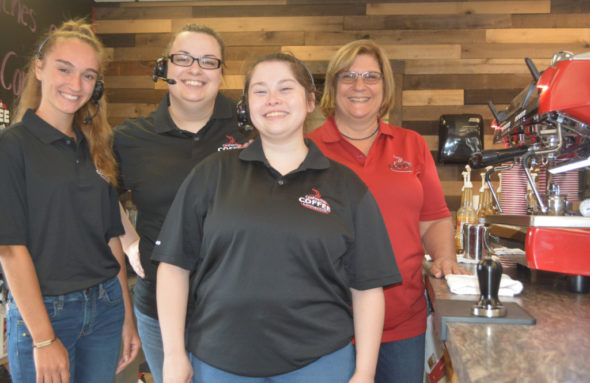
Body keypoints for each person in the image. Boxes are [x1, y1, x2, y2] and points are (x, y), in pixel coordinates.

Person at [152, 52, 402, 383]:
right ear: (246, 104)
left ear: (310, 101)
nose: (272, 100)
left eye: (285, 88)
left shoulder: (347, 187)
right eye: (259, 90)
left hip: (320, 363)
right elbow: (172, 266)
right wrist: (173, 355)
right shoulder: (211, 174)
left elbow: (368, 287)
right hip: (219, 361)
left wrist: (365, 371)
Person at [308, 39, 469, 383]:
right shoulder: (306, 150)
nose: (360, 86)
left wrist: (443, 256)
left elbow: (435, 216)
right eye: (348, 76)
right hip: (325, 326)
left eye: (371, 76)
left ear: (385, 86)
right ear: (333, 86)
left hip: (402, 323)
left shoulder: (411, 144)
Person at [0, 19, 140, 383]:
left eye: (88, 76)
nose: (76, 85)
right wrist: (44, 339)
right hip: (46, 312)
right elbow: (10, 249)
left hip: (107, 309)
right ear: (39, 68)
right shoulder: (11, 147)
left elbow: (112, 240)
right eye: (65, 69)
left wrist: (126, 317)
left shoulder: (95, 147)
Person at [113, 24, 249, 383]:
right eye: (183, 58)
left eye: (208, 61)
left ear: (222, 73)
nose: (195, 69)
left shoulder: (252, 129)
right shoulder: (130, 138)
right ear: (165, 68)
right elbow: (98, 194)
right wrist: (129, 243)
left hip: (239, 311)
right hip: (158, 311)